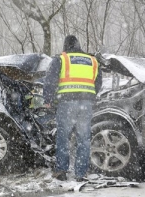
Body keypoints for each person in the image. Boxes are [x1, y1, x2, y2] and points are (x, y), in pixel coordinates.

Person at [43, 35, 102, 182]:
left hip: (67, 103)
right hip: (86, 104)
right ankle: (80, 173)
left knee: (63, 137)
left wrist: (48, 99)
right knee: (84, 139)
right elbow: (98, 82)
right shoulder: (92, 60)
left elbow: (50, 80)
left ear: (65, 45)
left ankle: (61, 171)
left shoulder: (62, 59)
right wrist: (89, 96)